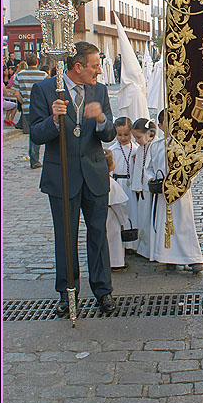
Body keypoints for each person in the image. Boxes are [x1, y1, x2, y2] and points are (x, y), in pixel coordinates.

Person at [29, 41, 116, 316]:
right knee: (65, 237)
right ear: (78, 67)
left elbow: (110, 133)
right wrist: (54, 121)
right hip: (62, 175)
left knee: (98, 235)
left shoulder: (99, 91)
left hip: (94, 174)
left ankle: (103, 292)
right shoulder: (45, 90)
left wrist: (101, 119)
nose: (99, 71)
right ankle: (68, 293)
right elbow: (35, 134)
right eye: (94, 66)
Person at [145, 109, 203, 272]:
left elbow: (194, 166)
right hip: (162, 193)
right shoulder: (155, 146)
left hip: (180, 192)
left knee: (184, 223)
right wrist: (150, 178)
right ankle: (168, 257)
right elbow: (148, 168)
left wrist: (186, 180)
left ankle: (191, 258)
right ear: (161, 126)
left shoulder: (185, 145)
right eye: (168, 124)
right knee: (164, 224)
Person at [108, 117, 139, 253]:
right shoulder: (113, 150)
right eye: (119, 135)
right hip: (118, 183)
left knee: (133, 212)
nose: (123, 138)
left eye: (126, 134)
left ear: (131, 133)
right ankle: (122, 242)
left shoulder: (136, 149)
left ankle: (133, 244)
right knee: (121, 213)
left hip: (131, 184)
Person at [12, 54, 47, 168]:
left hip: (27, 108)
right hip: (41, 108)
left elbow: (16, 93)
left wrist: (23, 102)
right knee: (40, 131)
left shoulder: (19, 75)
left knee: (33, 132)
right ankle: (38, 159)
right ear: (37, 62)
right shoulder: (43, 75)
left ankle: (33, 157)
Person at [130, 118, 156, 258]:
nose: (136, 140)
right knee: (143, 220)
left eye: (138, 137)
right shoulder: (140, 149)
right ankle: (144, 247)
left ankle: (151, 249)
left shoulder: (154, 146)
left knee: (150, 221)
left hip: (150, 188)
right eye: (135, 137)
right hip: (142, 189)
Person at [105, 149, 130, 271]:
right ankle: (116, 263)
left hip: (100, 215)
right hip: (111, 216)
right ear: (111, 166)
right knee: (114, 240)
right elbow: (119, 204)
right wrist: (123, 220)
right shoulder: (112, 183)